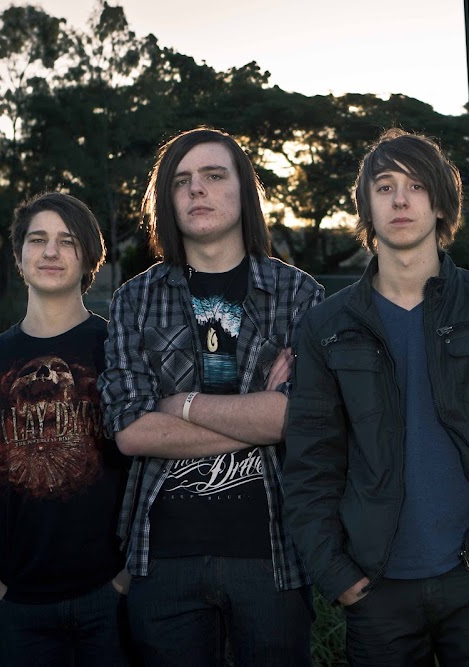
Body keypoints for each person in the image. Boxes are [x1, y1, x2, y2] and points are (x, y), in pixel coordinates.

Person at [282, 128, 469, 666]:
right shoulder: (327, 325)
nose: (400, 200)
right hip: (376, 589)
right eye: (385, 187)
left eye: (416, 186)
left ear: (441, 204)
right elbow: (310, 463)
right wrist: (339, 576)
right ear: (367, 207)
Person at [98, 127, 323, 666]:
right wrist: (260, 413)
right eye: (181, 181)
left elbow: (300, 418)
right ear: (167, 201)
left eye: (214, 175)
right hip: (162, 559)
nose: (196, 189)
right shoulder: (135, 300)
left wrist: (179, 406)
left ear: (244, 190)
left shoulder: (299, 294)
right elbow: (131, 432)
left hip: (273, 556)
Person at [0, 192, 129, 665]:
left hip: (111, 594)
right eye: (37, 239)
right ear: (19, 255)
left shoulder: (119, 350)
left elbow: (153, 470)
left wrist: (126, 580)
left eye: (67, 241)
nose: (50, 251)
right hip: (18, 604)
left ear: (89, 257)